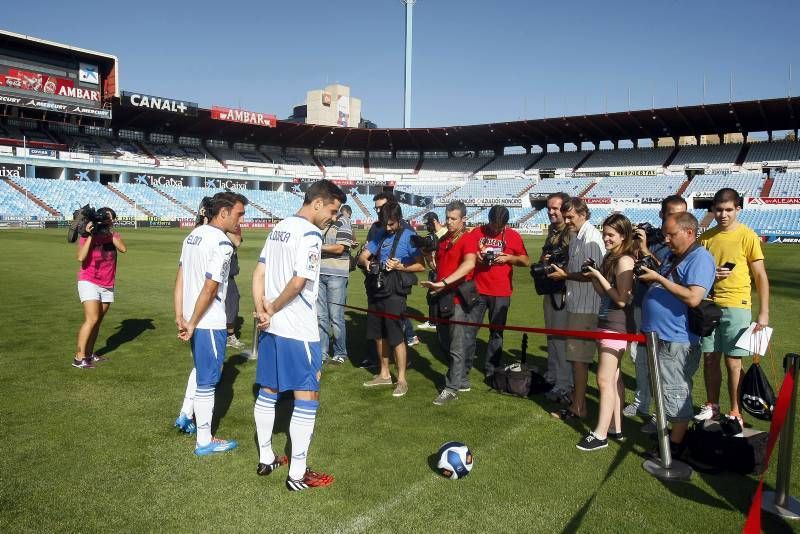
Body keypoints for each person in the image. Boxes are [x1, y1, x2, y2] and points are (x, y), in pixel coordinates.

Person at [251, 179, 345, 491]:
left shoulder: (279, 228)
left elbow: (259, 272)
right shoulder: (309, 233)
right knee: (308, 395)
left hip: (271, 327)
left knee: (269, 390)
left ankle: (266, 457)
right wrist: (274, 308)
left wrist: (263, 311)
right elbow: (299, 282)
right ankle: (298, 474)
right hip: (296, 329)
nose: (334, 216)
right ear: (317, 203)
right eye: (333, 210)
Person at [173, 192, 247, 456]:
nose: (242, 219)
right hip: (209, 321)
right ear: (224, 213)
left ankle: (186, 415)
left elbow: (180, 277)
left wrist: (179, 315)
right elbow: (210, 285)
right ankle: (205, 440)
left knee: (201, 369)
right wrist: (192, 321)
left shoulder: (193, 235)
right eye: (239, 214)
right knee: (208, 381)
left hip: (194, 318)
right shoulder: (222, 244)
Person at [638, 212, 716, 456]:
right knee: (664, 389)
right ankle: (670, 438)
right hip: (660, 336)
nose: (667, 240)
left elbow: (694, 297)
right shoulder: (677, 256)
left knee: (675, 391)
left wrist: (658, 277)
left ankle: (675, 445)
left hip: (677, 338)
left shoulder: (700, 258)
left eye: (672, 235)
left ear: (689, 232)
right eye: (665, 235)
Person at [696, 188, 770, 435]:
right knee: (709, 359)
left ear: (738, 209)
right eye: (719, 209)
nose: (723, 214)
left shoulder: (747, 235)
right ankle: (712, 405)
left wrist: (764, 312)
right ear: (713, 210)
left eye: (728, 209)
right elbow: (696, 273)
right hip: (709, 305)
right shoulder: (706, 237)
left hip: (737, 306)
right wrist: (710, 274)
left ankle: (736, 411)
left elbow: (760, 275)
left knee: (733, 362)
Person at [625, 195, 687, 428]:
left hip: (670, 314)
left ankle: (661, 413)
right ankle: (642, 401)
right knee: (640, 359)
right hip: (642, 304)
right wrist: (636, 246)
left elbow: (671, 276)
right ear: (661, 215)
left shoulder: (683, 243)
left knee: (666, 365)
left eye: (681, 214)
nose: (677, 219)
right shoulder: (650, 238)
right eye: (672, 214)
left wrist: (645, 251)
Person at [576, 214, 637, 451]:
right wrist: (593, 276)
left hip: (616, 325)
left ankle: (600, 434)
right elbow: (605, 295)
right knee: (614, 378)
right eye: (604, 233)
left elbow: (621, 300)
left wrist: (599, 275)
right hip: (606, 320)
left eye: (611, 234)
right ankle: (615, 427)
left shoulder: (624, 260)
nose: (606, 238)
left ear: (623, 236)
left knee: (604, 378)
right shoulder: (612, 257)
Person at [358, 201, 425, 397]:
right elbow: (363, 256)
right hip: (377, 289)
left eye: (391, 224)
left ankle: (402, 379)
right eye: (385, 224)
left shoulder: (409, 236)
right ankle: (384, 373)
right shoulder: (380, 234)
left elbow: (421, 266)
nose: (388, 228)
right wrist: (369, 264)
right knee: (378, 335)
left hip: (395, 291)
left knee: (396, 335)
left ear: (399, 219)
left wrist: (400, 266)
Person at [455, 205, 529, 379]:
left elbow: (526, 261)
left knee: (496, 333)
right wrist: (476, 256)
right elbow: (465, 251)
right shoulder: (477, 232)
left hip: (501, 292)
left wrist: (509, 258)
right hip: (477, 290)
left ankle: (491, 370)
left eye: (499, 227)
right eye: (493, 225)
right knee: (470, 331)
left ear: (505, 224)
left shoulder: (513, 236)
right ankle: (463, 370)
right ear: (487, 220)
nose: (495, 229)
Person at [547, 197, 605, 421]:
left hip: (586, 306)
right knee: (578, 360)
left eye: (571, 216)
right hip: (577, 304)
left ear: (584, 214)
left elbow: (594, 274)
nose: (567, 220)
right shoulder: (576, 236)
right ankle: (579, 402)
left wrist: (566, 275)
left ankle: (578, 407)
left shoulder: (591, 238)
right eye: (566, 216)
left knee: (579, 361)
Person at [421, 201, 477, 405]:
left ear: (463, 220)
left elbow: (469, 263)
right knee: (444, 341)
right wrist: (428, 256)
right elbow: (436, 265)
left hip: (457, 297)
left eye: (454, 219)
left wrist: (443, 282)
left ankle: (452, 387)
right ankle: (460, 379)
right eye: (448, 218)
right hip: (441, 294)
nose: (449, 222)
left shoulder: (468, 239)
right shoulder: (444, 238)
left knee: (456, 343)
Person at [73, 207, 127, 369]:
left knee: (98, 321)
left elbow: (123, 249)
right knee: (92, 319)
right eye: (108, 218)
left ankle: (89, 354)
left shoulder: (112, 235)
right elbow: (81, 257)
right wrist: (90, 235)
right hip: (88, 281)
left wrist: (108, 232)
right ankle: (78, 357)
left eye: (112, 218)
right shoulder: (87, 236)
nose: (111, 221)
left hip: (107, 283)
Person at [539, 192, 573, 403]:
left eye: (555, 208)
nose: (551, 212)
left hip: (563, 292)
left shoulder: (570, 233)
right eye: (549, 208)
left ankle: (564, 383)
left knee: (561, 340)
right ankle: (553, 375)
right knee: (551, 337)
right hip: (550, 290)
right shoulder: (553, 231)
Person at [317, 204, 356, 364]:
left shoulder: (343, 222)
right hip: (318, 273)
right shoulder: (322, 221)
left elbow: (340, 248)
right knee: (320, 316)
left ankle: (340, 352)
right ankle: (322, 353)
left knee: (336, 317)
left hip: (336, 274)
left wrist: (318, 247)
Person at [418, 211, 448, 332]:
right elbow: (429, 256)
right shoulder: (431, 236)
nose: (427, 226)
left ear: (434, 221)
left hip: (444, 270)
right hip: (435, 269)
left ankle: (435, 322)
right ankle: (434, 321)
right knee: (432, 297)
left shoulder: (445, 234)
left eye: (428, 223)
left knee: (436, 296)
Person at [225, 224, 246, 350]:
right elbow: (237, 242)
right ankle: (230, 336)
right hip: (224, 274)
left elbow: (238, 240)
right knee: (232, 302)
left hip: (228, 272)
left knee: (231, 301)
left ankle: (227, 335)